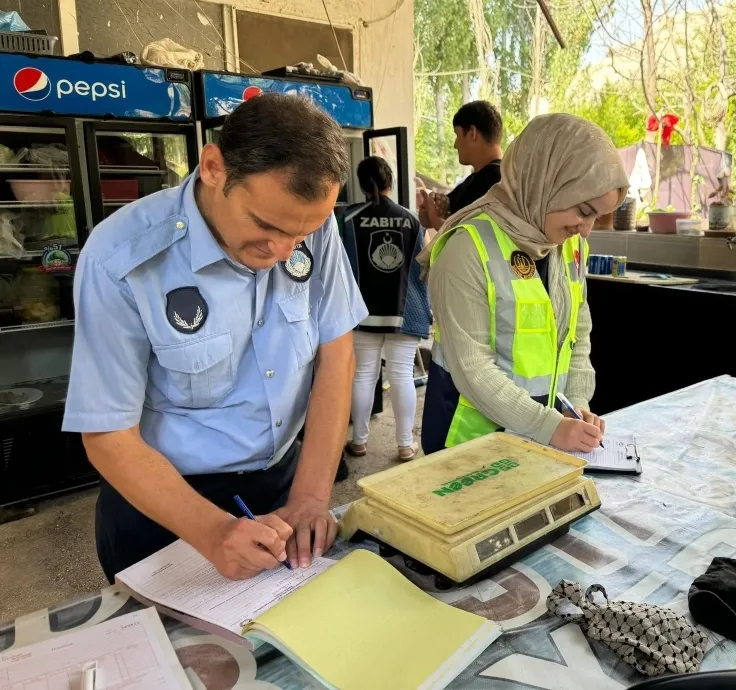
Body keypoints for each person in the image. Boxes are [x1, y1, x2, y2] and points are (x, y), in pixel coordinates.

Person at [62, 94, 368, 582]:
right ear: (213, 167)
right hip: (166, 509)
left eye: (301, 234)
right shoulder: (121, 258)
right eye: (265, 225)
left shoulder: (312, 223)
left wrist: (311, 498)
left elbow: (337, 354)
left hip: (285, 485)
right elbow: (107, 433)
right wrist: (211, 532)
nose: (283, 250)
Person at [419, 113, 629, 455]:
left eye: (596, 216)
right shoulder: (467, 248)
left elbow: (578, 334)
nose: (586, 229)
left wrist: (576, 406)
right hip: (468, 448)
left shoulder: (567, 247)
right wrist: (550, 427)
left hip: (536, 443)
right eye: (583, 210)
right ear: (544, 181)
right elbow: (472, 368)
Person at [342, 156, 432, 461]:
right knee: (402, 374)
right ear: (390, 181)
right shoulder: (411, 219)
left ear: (362, 183)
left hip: (361, 312)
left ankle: (359, 441)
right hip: (404, 312)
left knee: (363, 375)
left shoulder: (348, 219)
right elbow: (422, 267)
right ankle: (405, 445)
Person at [418, 101, 503, 230]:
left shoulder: (495, 181)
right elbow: (427, 220)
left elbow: (462, 240)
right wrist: (428, 208)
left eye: (457, 135)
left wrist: (436, 219)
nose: (455, 145)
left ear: (472, 133)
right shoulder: (473, 182)